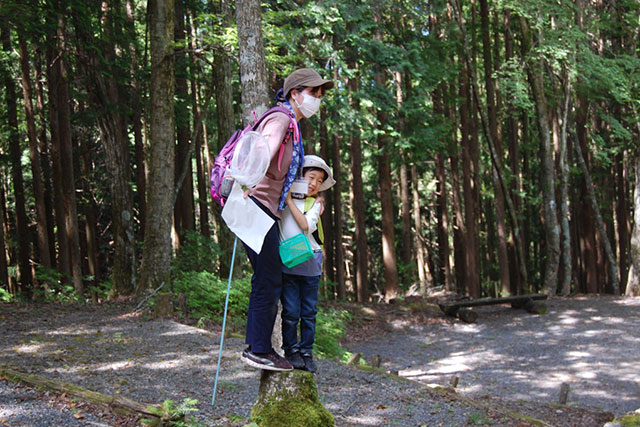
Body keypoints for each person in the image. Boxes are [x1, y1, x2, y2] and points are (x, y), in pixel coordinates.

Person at [240, 68, 334, 371]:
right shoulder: (281, 118)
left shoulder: (292, 123)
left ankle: (256, 347)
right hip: (256, 206)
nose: (316, 100)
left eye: (319, 95)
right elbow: (263, 151)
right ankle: (259, 350)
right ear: (295, 93)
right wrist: (246, 183)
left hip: (265, 208)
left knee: (267, 279)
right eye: (313, 93)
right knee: (268, 279)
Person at [278, 155, 336, 373]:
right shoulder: (281, 201)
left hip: (310, 262)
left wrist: (291, 201)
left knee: (309, 311)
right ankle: (291, 350)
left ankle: (306, 352)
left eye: (319, 181)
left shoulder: (314, 205)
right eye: (311, 177)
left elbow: (305, 225)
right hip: (289, 262)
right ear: (299, 176)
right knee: (291, 311)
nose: (314, 183)